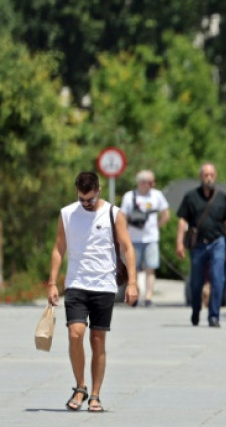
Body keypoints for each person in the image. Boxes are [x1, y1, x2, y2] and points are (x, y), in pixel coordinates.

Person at [46, 171, 138, 413]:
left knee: (98, 341)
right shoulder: (67, 214)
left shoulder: (113, 213)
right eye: (81, 199)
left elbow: (128, 247)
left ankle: (95, 395)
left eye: (89, 199)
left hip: (104, 285)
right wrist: (52, 282)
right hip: (76, 283)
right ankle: (80, 386)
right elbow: (58, 248)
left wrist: (133, 283)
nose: (85, 204)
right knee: (75, 334)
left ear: (98, 190)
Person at [176, 163, 226, 327]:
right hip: (198, 245)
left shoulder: (222, 198)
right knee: (196, 281)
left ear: (215, 176)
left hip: (218, 242)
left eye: (211, 175)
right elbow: (183, 220)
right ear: (200, 176)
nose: (208, 177)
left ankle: (214, 316)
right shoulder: (191, 197)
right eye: (205, 175)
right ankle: (196, 310)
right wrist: (179, 242)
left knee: (218, 279)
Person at [119, 170, 169, 307]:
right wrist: (123, 235)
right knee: (133, 269)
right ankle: (135, 293)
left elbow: (165, 213)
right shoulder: (129, 196)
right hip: (133, 238)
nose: (153, 184)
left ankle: (148, 297)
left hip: (151, 238)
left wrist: (157, 226)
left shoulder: (157, 195)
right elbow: (122, 217)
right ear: (142, 183)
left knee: (150, 268)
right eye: (150, 182)